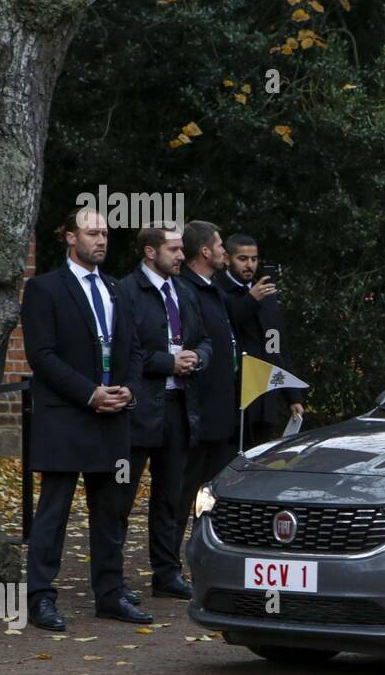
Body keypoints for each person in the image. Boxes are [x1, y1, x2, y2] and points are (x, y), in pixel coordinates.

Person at [21, 208, 152, 630]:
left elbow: (134, 348)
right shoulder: (44, 289)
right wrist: (88, 393)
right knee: (54, 512)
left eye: (105, 233)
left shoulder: (117, 289)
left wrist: (129, 387)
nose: (101, 240)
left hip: (112, 416)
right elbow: (42, 355)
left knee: (111, 511)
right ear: (69, 238)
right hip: (66, 416)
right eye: (92, 232)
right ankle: (41, 597)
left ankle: (111, 594)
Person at [116, 226, 210, 600]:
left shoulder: (184, 291)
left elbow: (205, 341)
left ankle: (167, 574)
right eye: (173, 250)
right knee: (121, 497)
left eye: (182, 249)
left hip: (179, 407)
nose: (182, 256)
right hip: (138, 407)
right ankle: (112, 579)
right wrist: (167, 362)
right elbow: (127, 351)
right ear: (151, 252)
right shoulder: (126, 291)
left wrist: (197, 358)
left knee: (171, 496)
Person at [177, 221, 239, 548]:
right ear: (204, 251)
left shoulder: (214, 288)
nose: (223, 253)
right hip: (197, 414)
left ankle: (207, 550)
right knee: (183, 492)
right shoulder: (186, 290)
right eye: (219, 246)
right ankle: (169, 565)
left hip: (221, 414)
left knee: (214, 495)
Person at [218, 233, 304, 447]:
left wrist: (293, 396)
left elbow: (275, 345)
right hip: (232, 397)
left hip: (263, 396)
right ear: (227, 259)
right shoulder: (216, 289)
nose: (249, 265)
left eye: (254, 259)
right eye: (243, 258)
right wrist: (250, 300)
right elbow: (224, 326)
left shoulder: (267, 296)